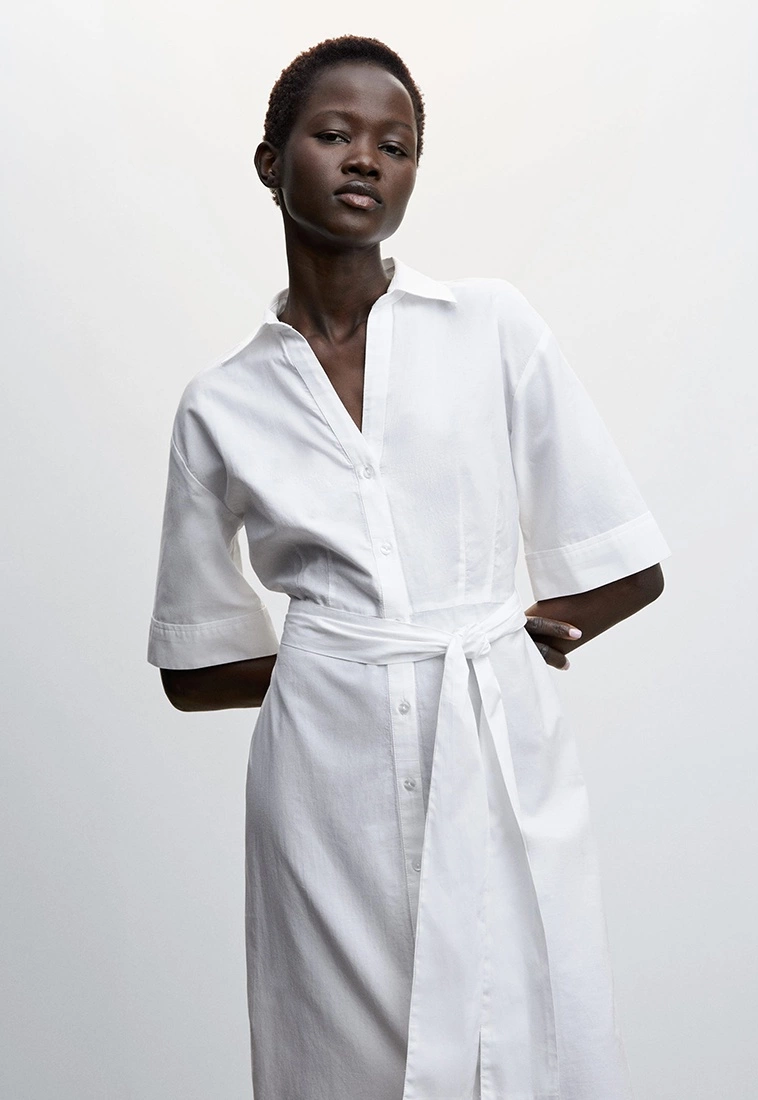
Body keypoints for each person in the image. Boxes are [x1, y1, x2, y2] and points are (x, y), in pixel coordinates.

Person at [147, 34, 670, 1100]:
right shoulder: (222, 403)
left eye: (396, 145)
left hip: (497, 745)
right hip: (322, 792)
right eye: (335, 134)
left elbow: (627, 560)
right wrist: (335, 665)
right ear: (271, 161)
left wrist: (508, 634)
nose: (366, 160)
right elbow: (193, 666)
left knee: (532, 1024)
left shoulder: (490, 325)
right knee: (341, 1054)